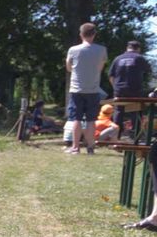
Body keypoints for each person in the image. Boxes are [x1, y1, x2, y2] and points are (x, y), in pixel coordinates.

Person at [65, 22, 108, 154]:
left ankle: (75, 147)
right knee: (91, 120)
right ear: (94, 34)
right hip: (93, 89)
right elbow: (101, 68)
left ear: (81, 34)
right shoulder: (101, 50)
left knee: (76, 119)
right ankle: (90, 147)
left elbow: (68, 67)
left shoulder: (73, 50)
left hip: (77, 89)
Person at [109, 40, 152, 134]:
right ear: (138, 49)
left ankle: (116, 134)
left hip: (119, 89)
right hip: (134, 89)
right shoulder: (139, 58)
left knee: (118, 110)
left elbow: (111, 76)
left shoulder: (117, 58)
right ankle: (135, 133)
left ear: (127, 48)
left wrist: (115, 88)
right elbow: (148, 70)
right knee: (136, 109)